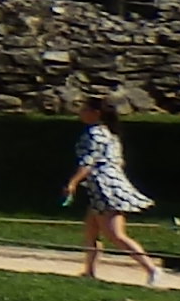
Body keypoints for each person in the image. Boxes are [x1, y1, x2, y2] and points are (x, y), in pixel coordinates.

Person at [66, 104, 162, 286]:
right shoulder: (110, 133)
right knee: (91, 231)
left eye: (84, 109)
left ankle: (151, 269)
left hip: (104, 186)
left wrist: (73, 182)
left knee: (115, 234)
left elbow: (88, 162)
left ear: (96, 112)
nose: (80, 112)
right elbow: (119, 161)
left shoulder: (94, 133)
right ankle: (89, 271)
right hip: (105, 184)